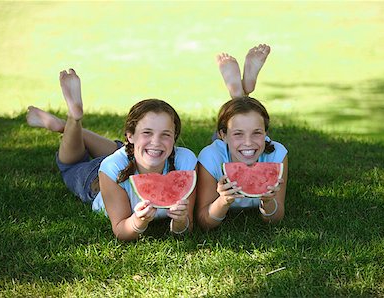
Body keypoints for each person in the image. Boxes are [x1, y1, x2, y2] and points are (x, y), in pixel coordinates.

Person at [27, 69, 197, 241]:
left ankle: (63, 125)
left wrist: (181, 221)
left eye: (165, 134)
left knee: (133, 149)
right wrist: (138, 221)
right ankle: (73, 119)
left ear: (174, 137)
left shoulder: (186, 162)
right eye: (147, 132)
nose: (156, 141)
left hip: (130, 154)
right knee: (71, 164)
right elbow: (121, 230)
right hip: (98, 179)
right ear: (130, 135)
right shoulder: (111, 168)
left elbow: (186, 228)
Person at [195, 44, 288, 231]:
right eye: (238, 134)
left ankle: (238, 95)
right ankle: (239, 96)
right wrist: (223, 201)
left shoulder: (276, 155)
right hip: (223, 149)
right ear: (223, 135)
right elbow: (204, 220)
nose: (248, 142)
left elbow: (276, 219)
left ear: (266, 134)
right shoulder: (210, 158)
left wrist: (268, 201)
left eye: (257, 133)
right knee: (240, 128)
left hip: (242, 143)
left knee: (242, 126)